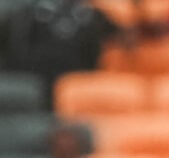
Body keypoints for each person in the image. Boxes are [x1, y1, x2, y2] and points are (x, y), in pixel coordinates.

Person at [0, 0, 129, 108]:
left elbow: (126, 36)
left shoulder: (94, 15)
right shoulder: (26, 13)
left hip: (78, 80)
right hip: (36, 77)